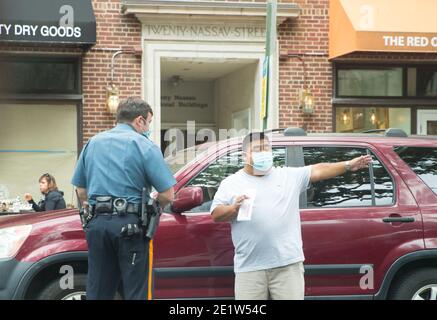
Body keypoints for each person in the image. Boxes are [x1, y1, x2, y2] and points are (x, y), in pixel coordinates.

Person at [210, 132, 372, 300]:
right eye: (258, 149)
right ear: (245, 155)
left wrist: (347, 165)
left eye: (267, 149)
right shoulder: (231, 183)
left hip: (287, 266)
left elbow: (317, 170)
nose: (264, 153)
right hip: (249, 268)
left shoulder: (287, 176)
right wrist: (233, 208)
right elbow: (216, 214)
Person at [71, 97, 176, 300]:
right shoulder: (144, 145)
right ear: (139, 121)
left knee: (98, 289)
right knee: (136, 291)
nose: (148, 128)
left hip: (97, 224)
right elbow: (167, 194)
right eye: (149, 122)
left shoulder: (92, 143)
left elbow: (81, 191)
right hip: (131, 226)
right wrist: (154, 208)